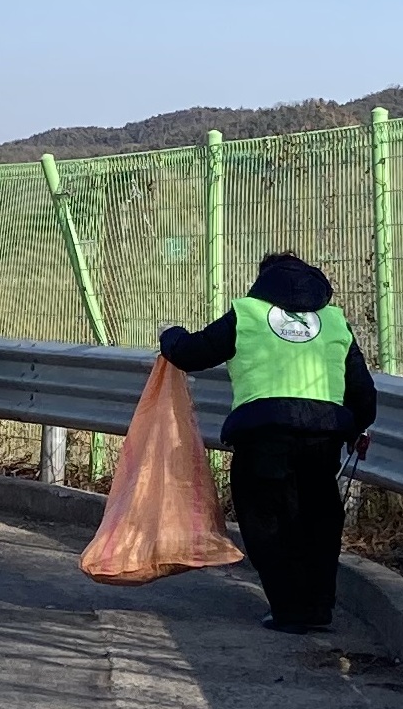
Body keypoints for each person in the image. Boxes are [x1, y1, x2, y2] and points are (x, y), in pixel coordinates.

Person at [158, 251, 376, 633]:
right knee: (319, 520)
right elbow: (364, 394)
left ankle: (290, 610)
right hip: (322, 438)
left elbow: (193, 354)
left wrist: (170, 336)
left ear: (263, 281)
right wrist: (351, 428)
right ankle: (317, 608)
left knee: (266, 521)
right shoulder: (334, 321)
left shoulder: (249, 314)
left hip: (263, 436)